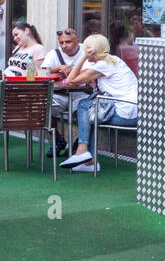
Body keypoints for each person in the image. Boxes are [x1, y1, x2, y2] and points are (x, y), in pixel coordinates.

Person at [59, 33, 139, 174]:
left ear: (93, 50)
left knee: (85, 106)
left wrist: (83, 57)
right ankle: (87, 159)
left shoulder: (104, 65)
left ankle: (84, 152)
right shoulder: (112, 61)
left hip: (127, 114)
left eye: (86, 49)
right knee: (90, 112)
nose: (84, 51)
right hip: (132, 110)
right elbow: (81, 74)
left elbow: (71, 80)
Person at [41, 26, 88, 159]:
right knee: (43, 108)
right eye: (61, 42)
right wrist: (60, 68)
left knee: (83, 111)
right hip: (60, 94)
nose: (64, 46)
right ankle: (57, 139)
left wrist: (64, 72)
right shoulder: (54, 53)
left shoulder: (86, 51)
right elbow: (43, 72)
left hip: (81, 94)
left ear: (77, 41)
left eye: (68, 42)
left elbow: (91, 71)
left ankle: (79, 142)